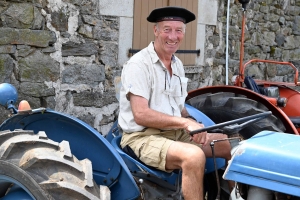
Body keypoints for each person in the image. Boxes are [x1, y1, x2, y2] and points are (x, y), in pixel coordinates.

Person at [118, 6, 232, 200]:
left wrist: (194, 124)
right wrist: (185, 123)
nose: (173, 36)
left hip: (175, 134)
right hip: (142, 137)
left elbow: (179, 109)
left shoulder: (177, 64)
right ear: (156, 31)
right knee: (193, 156)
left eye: (178, 30)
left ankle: (232, 196)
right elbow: (141, 114)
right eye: (167, 29)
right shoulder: (139, 65)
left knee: (228, 145)